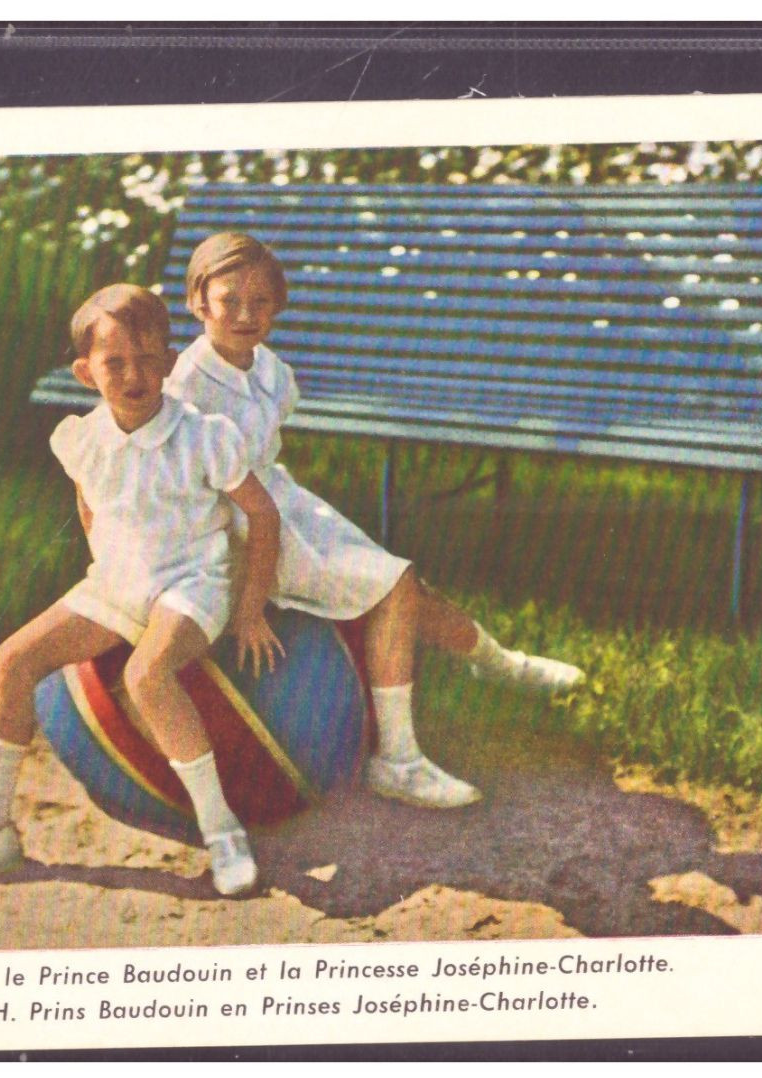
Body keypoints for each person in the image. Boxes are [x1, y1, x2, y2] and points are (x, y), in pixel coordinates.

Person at [165, 232, 584, 810]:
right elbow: (180, 484)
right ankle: (400, 761)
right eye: (229, 299)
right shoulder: (184, 386)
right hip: (237, 528)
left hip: (281, 502)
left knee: (406, 587)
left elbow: (266, 456)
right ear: (197, 302)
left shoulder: (270, 370)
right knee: (394, 587)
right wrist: (239, 588)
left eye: (261, 302)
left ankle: (499, 664)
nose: (245, 314)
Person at [0, 284, 283, 896]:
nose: (136, 375)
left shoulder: (204, 435)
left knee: (146, 676)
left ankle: (222, 832)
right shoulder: (80, 439)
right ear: (85, 371)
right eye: (115, 363)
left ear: (169, 361)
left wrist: (251, 607)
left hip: (192, 583)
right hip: (117, 583)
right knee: (14, 659)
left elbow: (263, 518)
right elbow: (91, 511)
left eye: (150, 359)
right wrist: (107, 585)